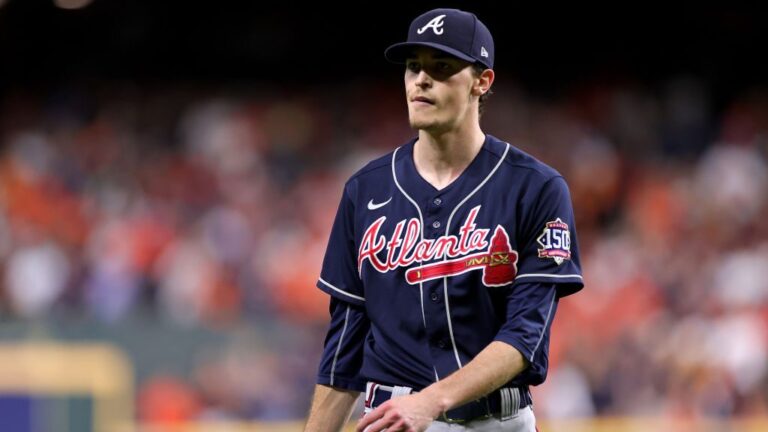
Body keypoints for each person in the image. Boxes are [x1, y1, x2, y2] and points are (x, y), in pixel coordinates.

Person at [303, 7, 583, 432]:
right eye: (413, 66)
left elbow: (526, 335)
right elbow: (343, 350)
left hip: (497, 420)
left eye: (442, 67)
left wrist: (430, 401)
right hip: (393, 419)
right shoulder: (365, 190)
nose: (421, 79)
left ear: (481, 81)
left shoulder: (536, 187)